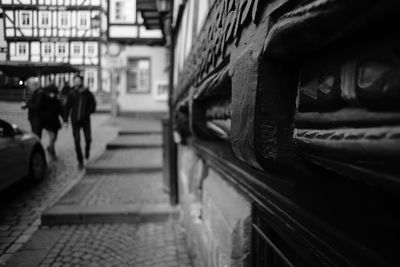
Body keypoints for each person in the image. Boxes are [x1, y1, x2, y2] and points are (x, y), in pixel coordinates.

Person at [64, 75, 96, 169]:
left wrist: (88, 112)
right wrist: (65, 120)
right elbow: (67, 107)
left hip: (85, 120)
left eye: (78, 81)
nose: (77, 82)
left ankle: (87, 151)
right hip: (75, 121)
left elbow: (93, 105)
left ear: (81, 81)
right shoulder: (71, 93)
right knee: (77, 141)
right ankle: (80, 161)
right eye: (75, 81)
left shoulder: (87, 93)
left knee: (88, 139)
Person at [42, 83, 63, 160]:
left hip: (55, 122)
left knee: (54, 138)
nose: (52, 95)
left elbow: (61, 110)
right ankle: (52, 152)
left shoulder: (56, 101)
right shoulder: (44, 100)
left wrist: (65, 119)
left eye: (53, 93)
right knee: (52, 137)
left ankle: (49, 147)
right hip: (47, 123)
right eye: (50, 93)